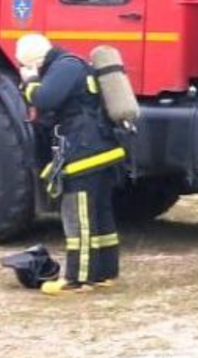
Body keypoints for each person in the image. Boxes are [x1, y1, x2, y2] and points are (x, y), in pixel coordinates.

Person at [17, 33, 124, 293]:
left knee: (79, 218)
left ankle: (78, 278)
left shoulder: (64, 66)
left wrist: (29, 83)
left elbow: (45, 99)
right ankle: (104, 273)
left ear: (34, 61)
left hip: (84, 153)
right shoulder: (71, 65)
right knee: (100, 214)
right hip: (100, 149)